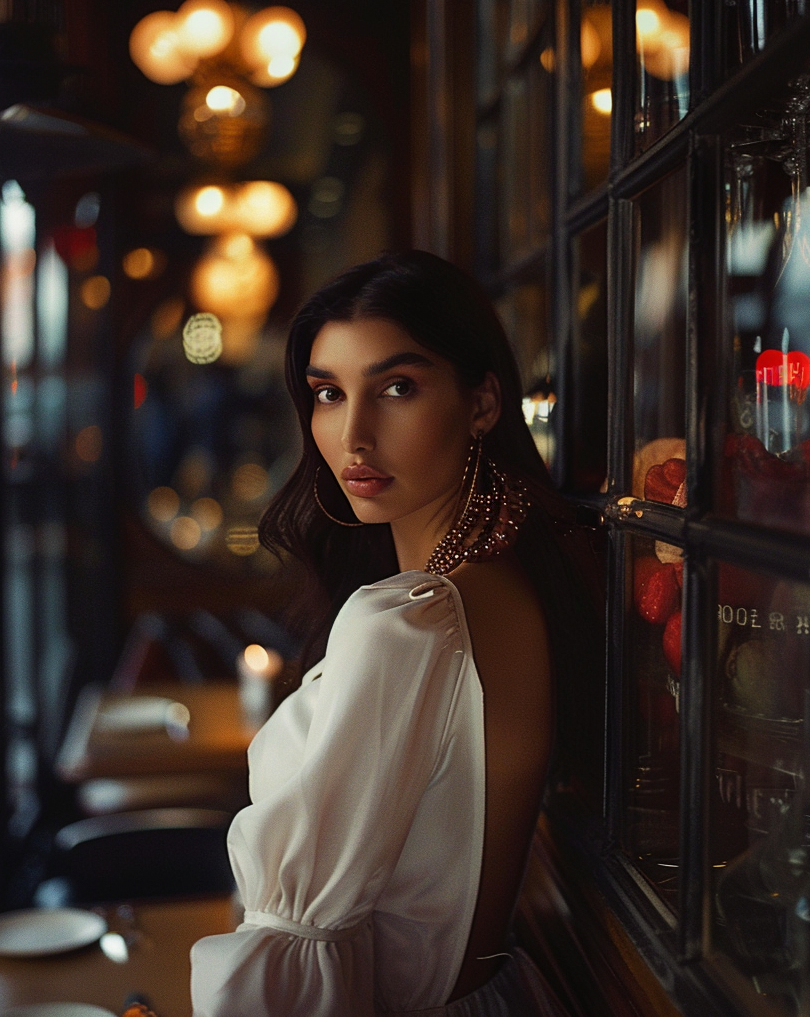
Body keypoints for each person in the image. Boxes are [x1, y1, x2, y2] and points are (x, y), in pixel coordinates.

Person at [191, 250, 602, 1016]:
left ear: (482, 403)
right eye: (327, 393)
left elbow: (293, 947)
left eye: (397, 388)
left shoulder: (413, 624)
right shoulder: (495, 583)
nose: (354, 434)